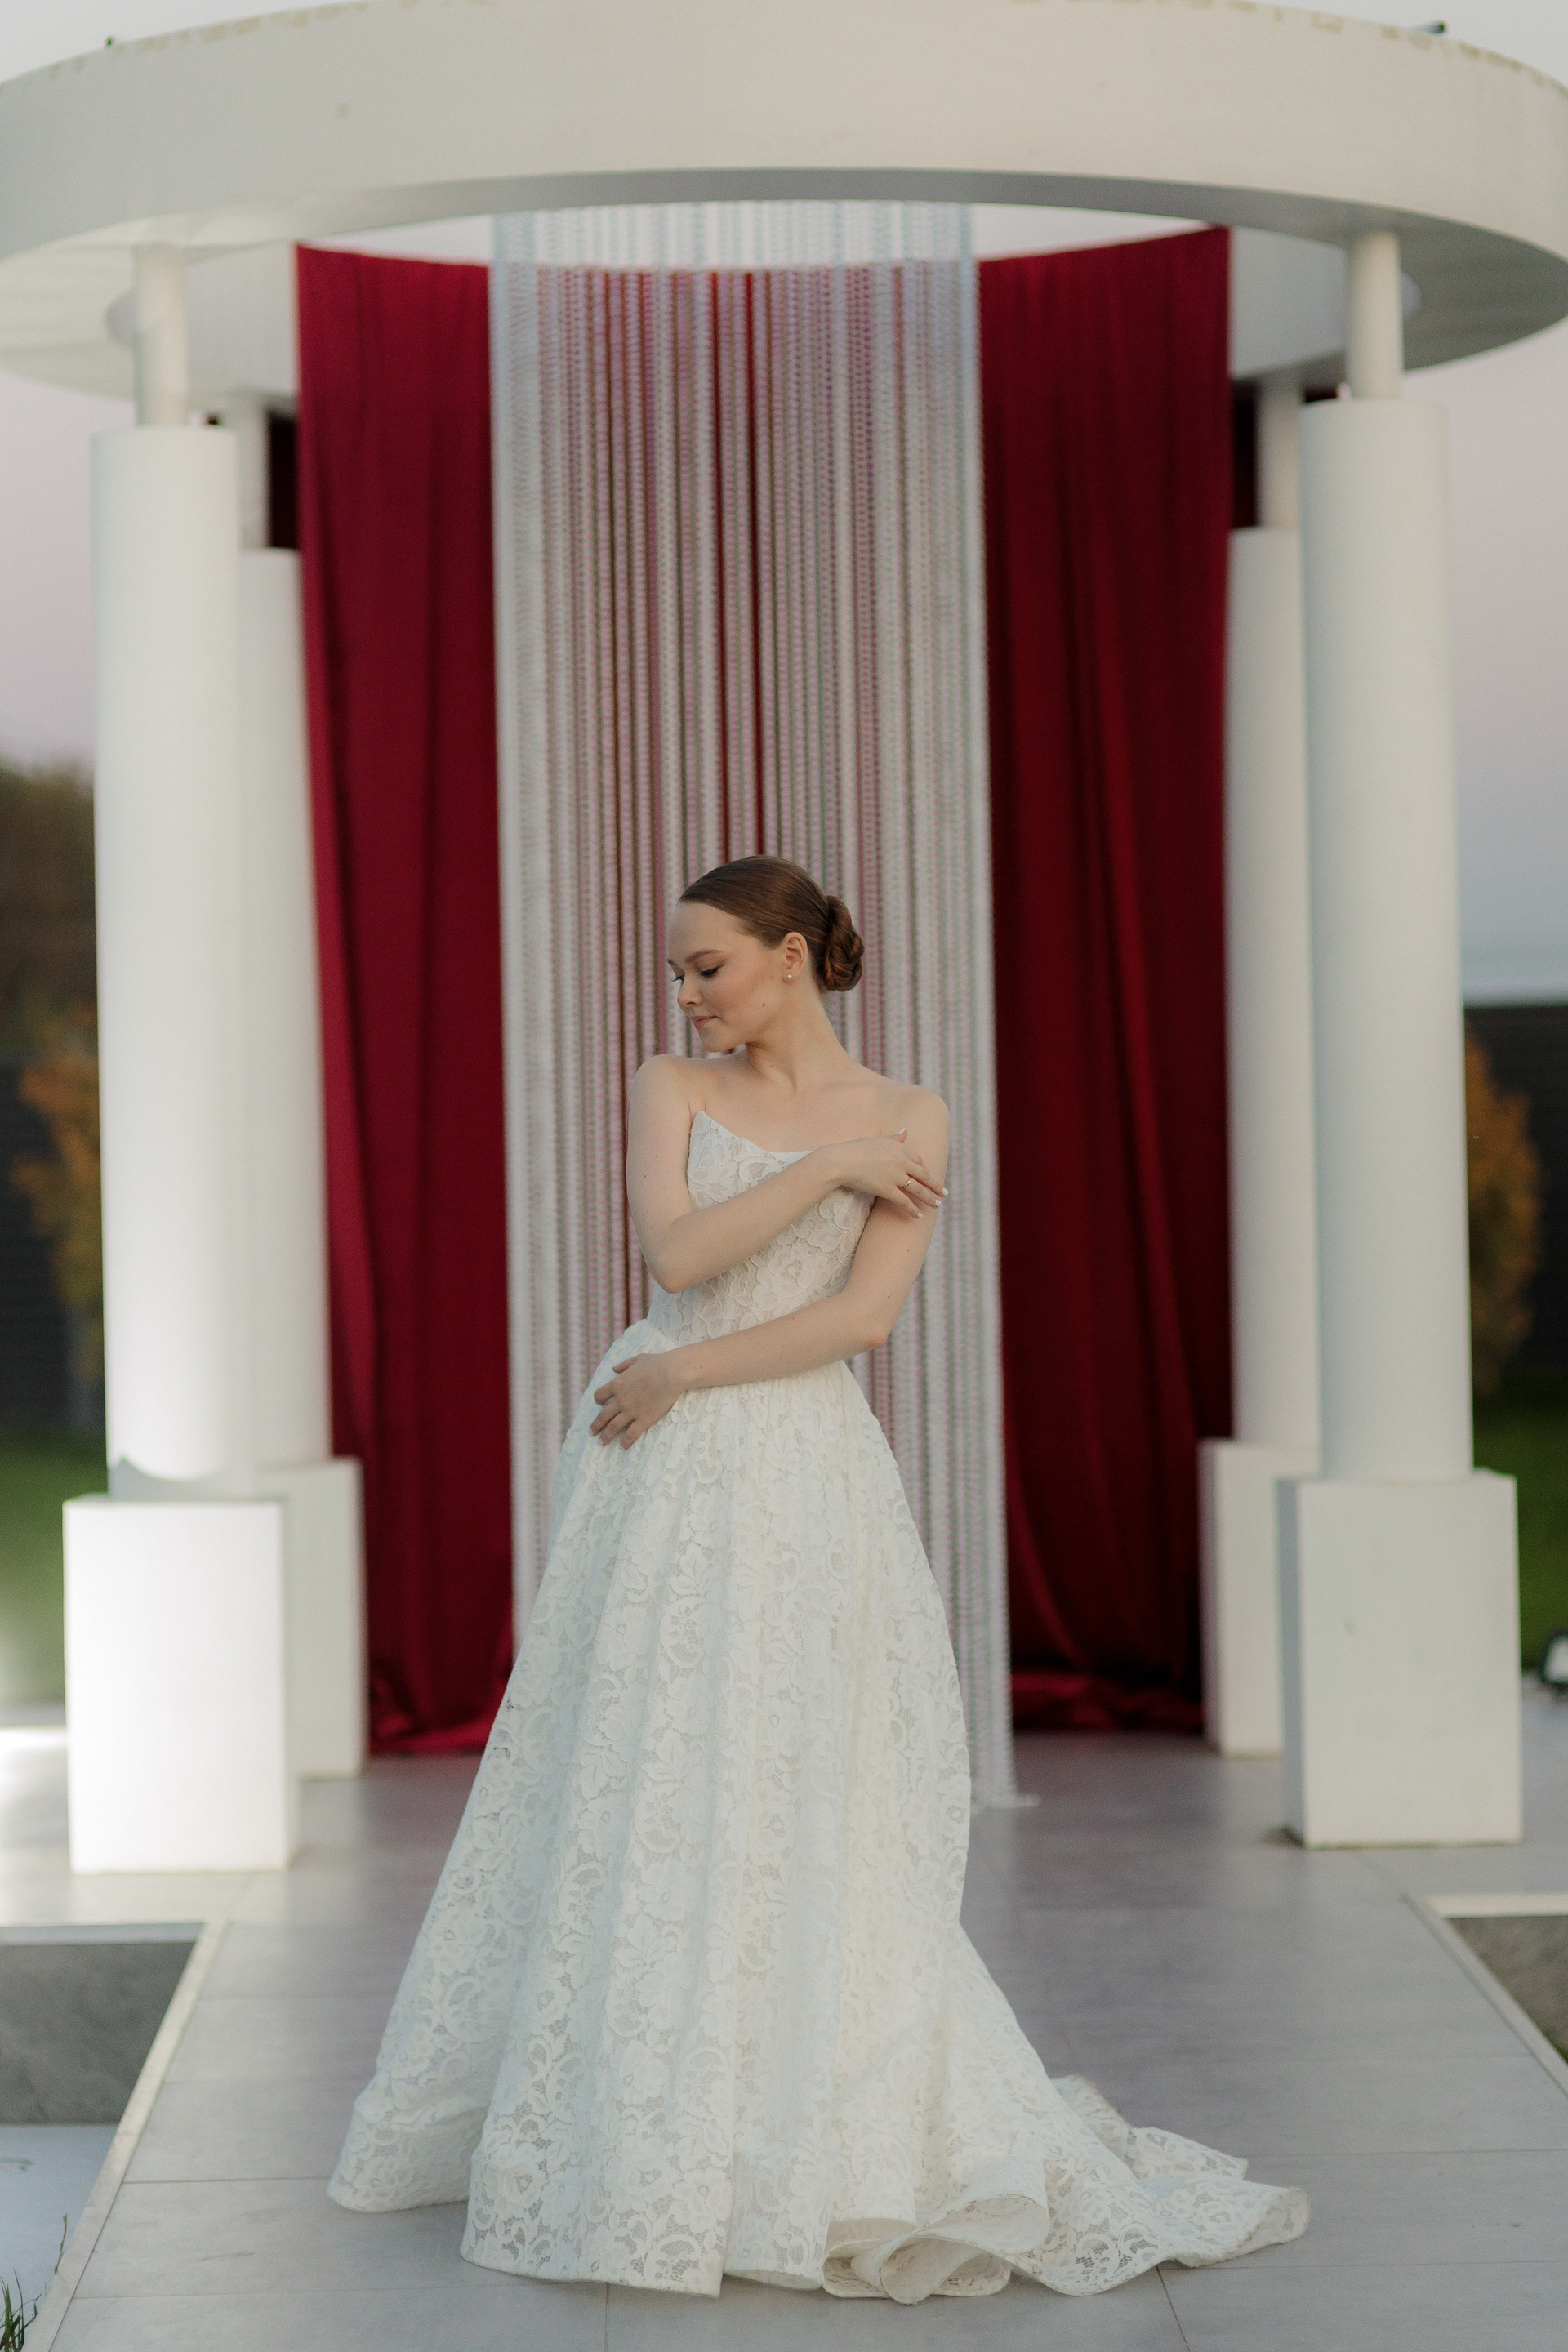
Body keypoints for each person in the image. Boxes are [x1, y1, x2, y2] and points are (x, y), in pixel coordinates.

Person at [329, 853, 1307, 2301]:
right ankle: (644, 2128)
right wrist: (823, 1174)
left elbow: (860, 1319)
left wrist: (691, 1364)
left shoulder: (911, 1115)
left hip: (795, 1466)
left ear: (790, 956)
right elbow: (676, 1251)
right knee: (649, 1779)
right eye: (678, 970)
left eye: (709, 966)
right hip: (659, 1471)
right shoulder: (672, 1086)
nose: (686, 993)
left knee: (796, 1785)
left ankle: (793, 2127)